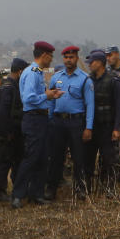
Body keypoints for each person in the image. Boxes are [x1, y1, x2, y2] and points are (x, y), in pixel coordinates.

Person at [12, 41, 61, 209]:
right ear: (44, 55)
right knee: (31, 157)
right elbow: (29, 98)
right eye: (50, 56)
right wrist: (47, 96)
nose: (51, 59)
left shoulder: (38, 72)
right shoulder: (33, 72)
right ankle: (18, 194)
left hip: (40, 118)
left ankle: (36, 193)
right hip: (33, 119)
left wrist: (50, 95)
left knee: (42, 158)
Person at [45, 46, 93, 200]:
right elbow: (51, 100)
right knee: (56, 157)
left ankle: (80, 189)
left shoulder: (85, 79)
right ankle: (51, 189)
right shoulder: (56, 77)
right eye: (66, 58)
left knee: (79, 158)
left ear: (77, 58)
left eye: (71, 57)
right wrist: (50, 119)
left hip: (76, 123)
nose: (68, 60)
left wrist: (88, 128)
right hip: (58, 122)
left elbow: (90, 105)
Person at [85, 49, 120, 193]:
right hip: (92, 125)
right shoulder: (88, 80)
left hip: (108, 127)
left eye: (93, 62)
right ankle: (87, 188)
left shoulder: (113, 80)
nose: (90, 64)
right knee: (88, 159)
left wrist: (117, 128)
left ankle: (111, 189)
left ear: (100, 63)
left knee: (110, 160)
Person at [0, 57, 27, 201]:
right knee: (5, 162)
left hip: (14, 131)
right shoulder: (9, 87)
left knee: (16, 161)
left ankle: (17, 189)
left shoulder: (12, 85)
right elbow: (3, 112)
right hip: (9, 133)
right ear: (20, 71)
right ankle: (0, 192)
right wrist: (6, 132)